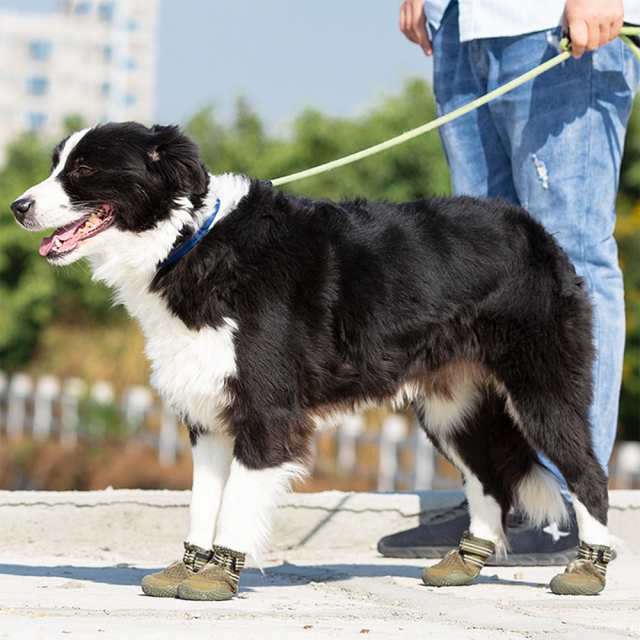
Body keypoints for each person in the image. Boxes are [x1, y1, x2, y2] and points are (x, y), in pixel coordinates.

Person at [378, 0, 640, 565]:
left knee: (571, 258)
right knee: (479, 270)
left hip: (552, 22)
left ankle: (567, 499)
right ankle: (496, 496)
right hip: (462, 26)